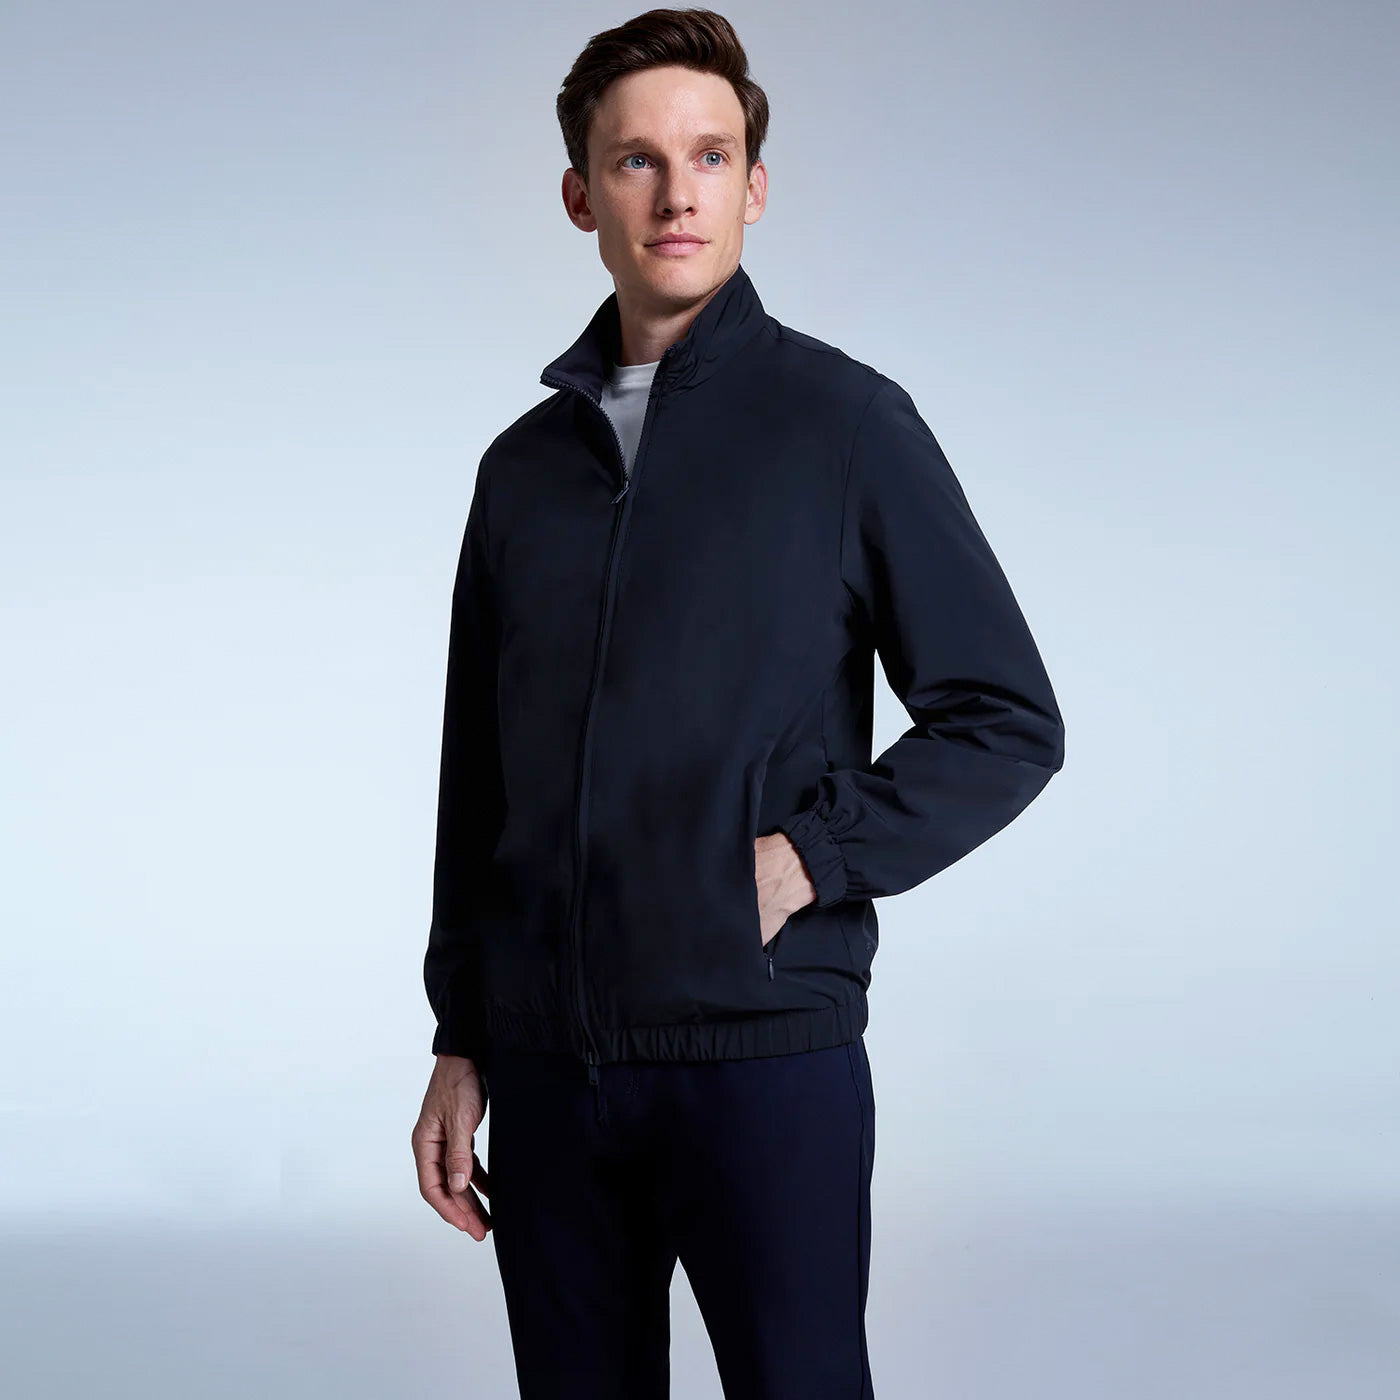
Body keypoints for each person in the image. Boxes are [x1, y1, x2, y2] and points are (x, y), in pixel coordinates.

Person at [410, 10, 1065, 1397]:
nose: (677, 193)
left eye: (710, 156)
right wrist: (462, 1035)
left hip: (761, 1065)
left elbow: (1005, 716)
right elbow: (480, 783)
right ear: (581, 195)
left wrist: (813, 856)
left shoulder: (845, 425)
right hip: (547, 1074)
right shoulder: (521, 472)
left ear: (755, 187)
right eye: (636, 161)